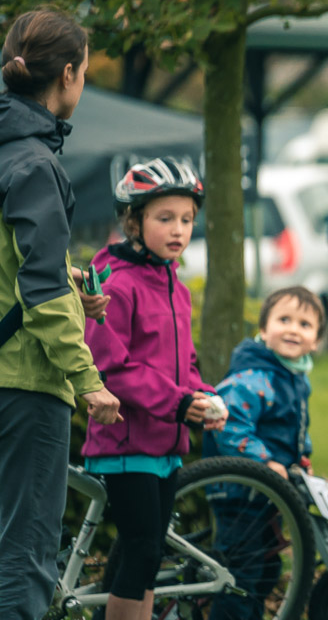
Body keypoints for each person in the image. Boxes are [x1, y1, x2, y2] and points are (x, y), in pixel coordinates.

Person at [0, 8, 122, 620]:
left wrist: (68, 281)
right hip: (24, 384)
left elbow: (17, 265)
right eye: (86, 72)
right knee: (22, 558)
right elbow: (40, 289)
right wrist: (88, 380)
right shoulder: (37, 164)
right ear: (68, 75)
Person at [82, 157, 227, 620]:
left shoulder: (175, 287)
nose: (178, 229)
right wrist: (179, 403)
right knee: (143, 551)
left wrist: (201, 395)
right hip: (126, 443)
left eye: (186, 219)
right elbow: (112, 368)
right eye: (165, 218)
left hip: (165, 442)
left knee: (144, 556)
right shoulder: (117, 285)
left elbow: (184, 365)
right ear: (134, 221)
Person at [203, 285, 324, 619]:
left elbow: (295, 427)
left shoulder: (295, 378)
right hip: (239, 492)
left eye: (304, 324)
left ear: (316, 340)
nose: (293, 329)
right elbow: (229, 424)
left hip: (269, 493)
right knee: (240, 571)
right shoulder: (254, 378)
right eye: (284, 319)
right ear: (264, 328)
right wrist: (265, 461)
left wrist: (301, 458)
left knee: (267, 568)